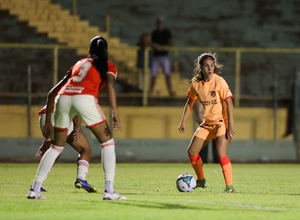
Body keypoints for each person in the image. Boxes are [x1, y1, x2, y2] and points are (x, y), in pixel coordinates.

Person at [27, 36, 126, 200]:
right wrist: (115, 112)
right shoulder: (108, 66)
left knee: (56, 148)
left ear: (89, 51)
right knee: (108, 143)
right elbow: (109, 85)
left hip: (63, 99)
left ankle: (34, 189)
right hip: (85, 98)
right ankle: (109, 191)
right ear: (105, 51)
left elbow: (52, 92)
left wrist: (48, 122)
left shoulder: (79, 64)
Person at [178, 52, 235, 193]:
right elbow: (190, 102)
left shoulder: (219, 81)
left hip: (221, 123)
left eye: (212, 65)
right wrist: (183, 121)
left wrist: (230, 126)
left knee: (221, 152)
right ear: (201, 68)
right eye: (206, 66)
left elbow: (229, 102)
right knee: (192, 152)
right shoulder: (196, 84)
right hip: (207, 123)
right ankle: (201, 180)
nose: (210, 68)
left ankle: (230, 187)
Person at [34, 73, 97, 193]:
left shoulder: (65, 84)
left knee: (53, 153)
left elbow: (52, 96)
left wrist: (45, 142)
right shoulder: (81, 87)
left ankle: (37, 184)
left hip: (44, 116)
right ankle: (81, 179)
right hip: (61, 116)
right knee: (86, 149)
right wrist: (78, 127)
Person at [149, 17, 175, 97]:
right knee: (153, 74)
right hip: (156, 56)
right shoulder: (154, 33)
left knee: (167, 74)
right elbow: (151, 43)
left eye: (161, 23)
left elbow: (171, 42)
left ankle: (170, 91)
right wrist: (156, 46)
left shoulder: (167, 32)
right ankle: (150, 91)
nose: (159, 25)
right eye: (158, 23)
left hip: (164, 56)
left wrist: (163, 46)